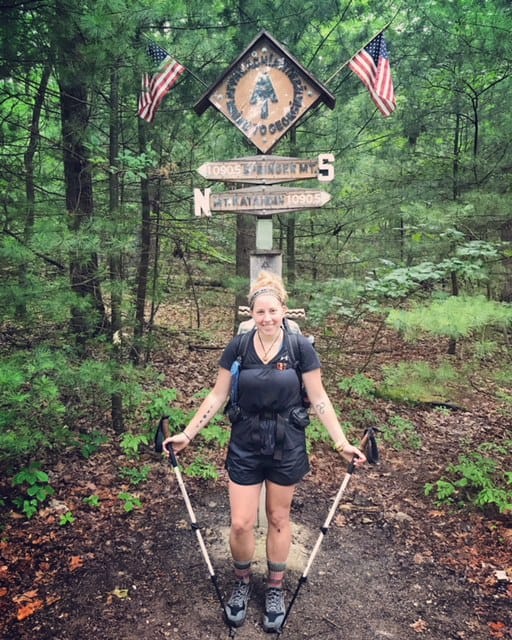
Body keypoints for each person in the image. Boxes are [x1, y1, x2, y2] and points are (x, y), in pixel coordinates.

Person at [163, 271, 366, 632]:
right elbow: (218, 394)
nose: (267, 318)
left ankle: (274, 587)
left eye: (273, 311)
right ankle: (241, 581)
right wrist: (188, 434)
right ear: (251, 313)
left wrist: (341, 443)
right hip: (245, 442)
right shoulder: (239, 346)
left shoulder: (301, 347)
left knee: (277, 517)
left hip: (287, 442)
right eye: (260, 312)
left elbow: (318, 398)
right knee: (241, 522)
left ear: (284, 310)